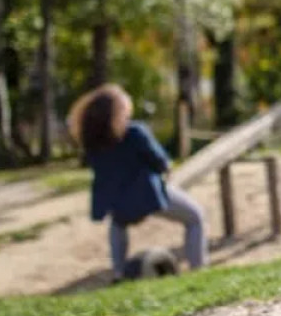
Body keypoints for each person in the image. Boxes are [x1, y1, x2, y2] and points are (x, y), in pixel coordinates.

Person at [67, 83, 208, 279]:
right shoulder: (135, 132)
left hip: (117, 203)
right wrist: (167, 169)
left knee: (118, 224)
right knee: (195, 216)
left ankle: (118, 271)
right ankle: (198, 269)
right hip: (148, 196)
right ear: (119, 110)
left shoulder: (92, 143)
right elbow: (160, 162)